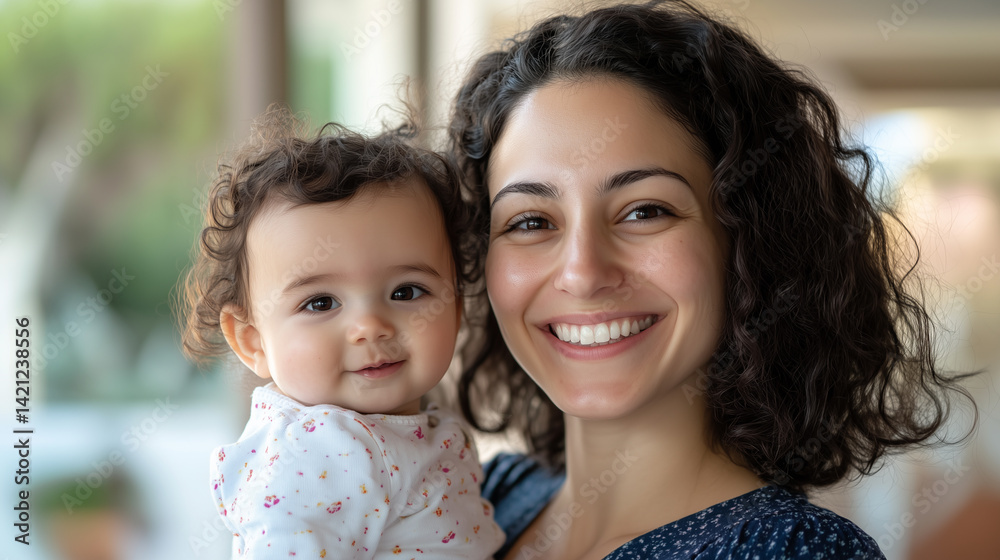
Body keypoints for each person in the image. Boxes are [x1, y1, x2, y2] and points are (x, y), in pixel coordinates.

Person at [447, 1, 975, 558]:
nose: (582, 273)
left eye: (644, 211)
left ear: (749, 242)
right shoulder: (474, 504)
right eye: (530, 221)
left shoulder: (793, 551)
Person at [178, 107, 504, 559]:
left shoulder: (413, 427)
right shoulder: (318, 452)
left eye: (407, 291)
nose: (370, 326)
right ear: (252, 340)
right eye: (320, 303)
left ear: (458, 302)